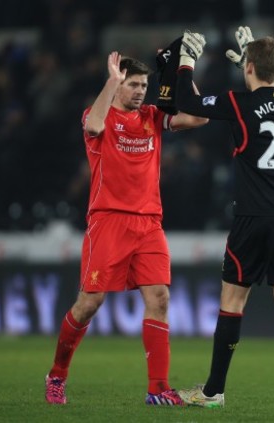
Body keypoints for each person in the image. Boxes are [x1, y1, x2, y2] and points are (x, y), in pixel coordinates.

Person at [44, 51, 208, 406]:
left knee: (160, 298)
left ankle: (158, 389)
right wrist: (112, 82)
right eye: (133, 84)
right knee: (90, 303)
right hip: (109, 221)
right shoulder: (99, 116)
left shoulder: (151, 116)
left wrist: (181, 71)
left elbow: (198, 116)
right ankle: (57, 375)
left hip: (149, 223)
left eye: (144, 85)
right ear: (119, 85)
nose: (139, 91)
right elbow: (93, 126)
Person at [174, 28, 274, 410]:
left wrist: (186, 60)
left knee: (233, 299)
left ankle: (213, 392)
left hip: (255, 216)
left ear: (249, 67)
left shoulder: (238, 104)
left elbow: (185, 100)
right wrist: (254, 62)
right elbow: (272, 92)